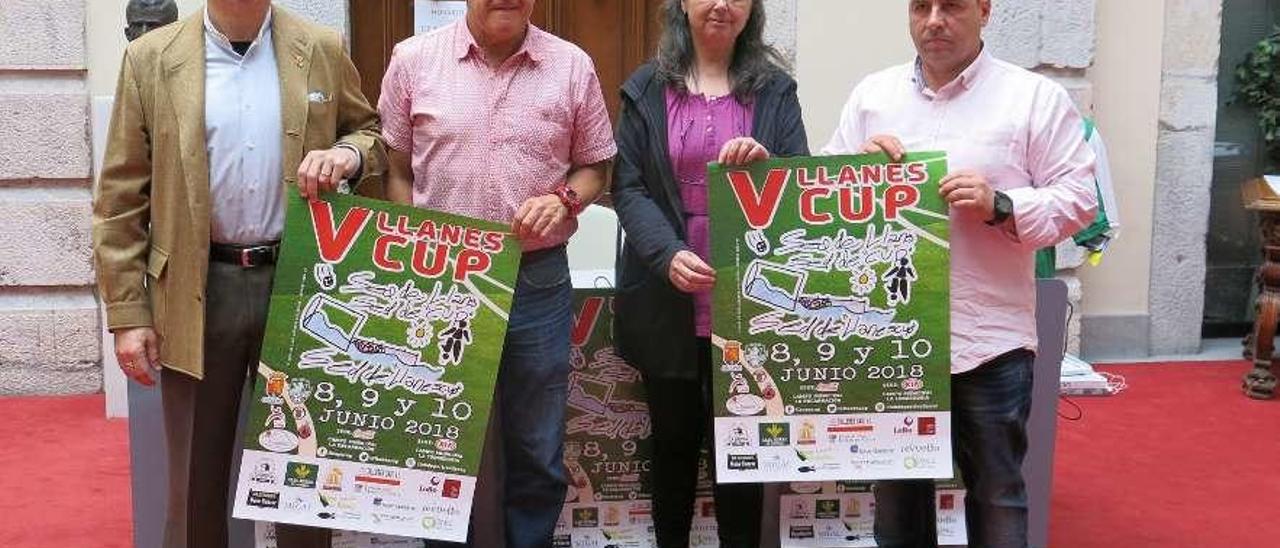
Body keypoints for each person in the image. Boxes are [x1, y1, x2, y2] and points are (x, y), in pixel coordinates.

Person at [93, 1, 385, 546]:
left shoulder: (321, 47)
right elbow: (120, 199)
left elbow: (371, 134)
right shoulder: (150, 57)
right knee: (197, 475)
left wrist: (346, 154)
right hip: (199, 286)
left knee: (304, 462)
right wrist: (129, 314)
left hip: (298, 284)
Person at [822, 1, 1097, 546]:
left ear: (984, 10)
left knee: (998, 494)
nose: (934, 20)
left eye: (951, 5)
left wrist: (1002, 204)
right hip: (894, 341)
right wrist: (856, 171)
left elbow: (1081, 200)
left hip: (989, 340)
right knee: (898, 503)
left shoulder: (1033, 98)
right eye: (921, 6)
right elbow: (825, 201)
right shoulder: (873, 97)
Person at [377, 0, 616, 545]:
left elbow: (595, 165)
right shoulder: (413, 59)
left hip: (536, 279)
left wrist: (564, 200)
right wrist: (418, 246)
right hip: (441, 283)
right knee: (439, 435)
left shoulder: (572, 65)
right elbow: (394, 167)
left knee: (537, 444)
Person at [610, 0, 807, 545]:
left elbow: (801, 181)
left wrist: (766, 166)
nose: (721, 4)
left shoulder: (775, 89)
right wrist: (666, 252)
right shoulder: (646, 87)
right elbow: (627, 187)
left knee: (742, 449)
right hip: (664, 293)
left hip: (747, 299)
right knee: (672, 443)